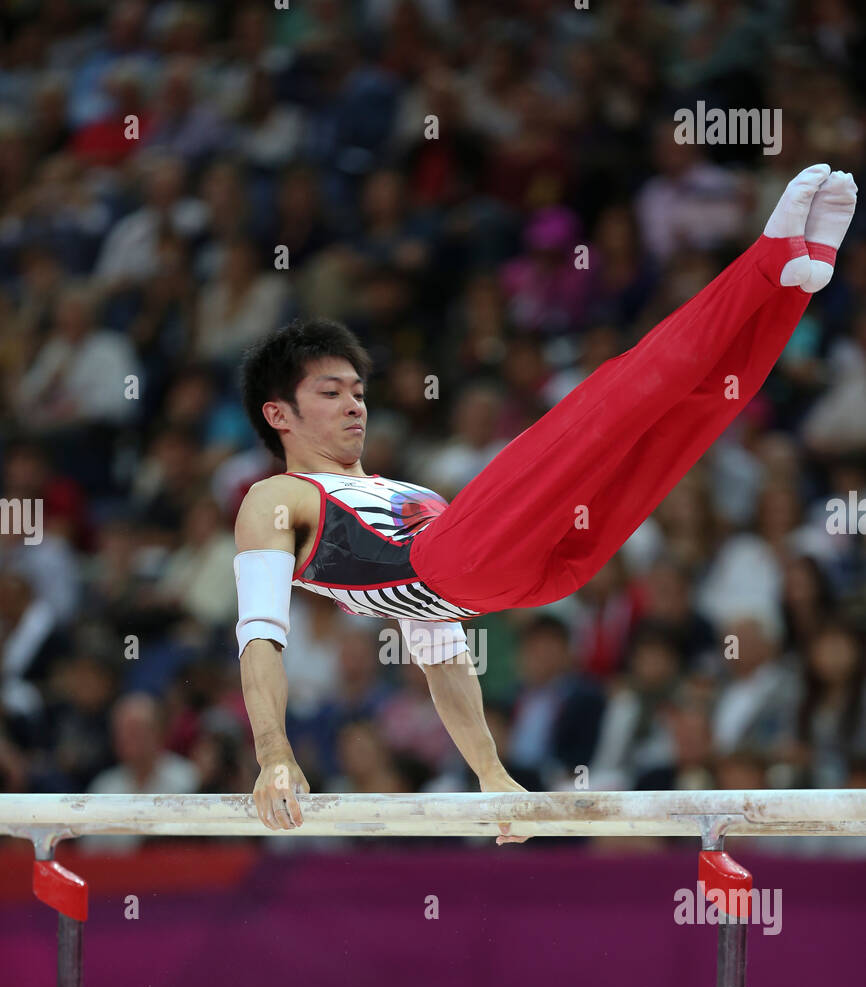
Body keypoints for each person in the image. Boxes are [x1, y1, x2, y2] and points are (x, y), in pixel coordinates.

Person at [233, 166, 857, 840]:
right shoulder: (275, 499)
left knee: (668, 422)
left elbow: (442, 657)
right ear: (279, 415)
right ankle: (770, 261)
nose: (354, 402)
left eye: (356, 389)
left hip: (494, 572)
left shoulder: (407, 492)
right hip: (474, 570)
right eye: (330, 393)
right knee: (626, 400)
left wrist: (489, 773)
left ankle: (789, 282)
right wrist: (274, 754)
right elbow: (261, 637)